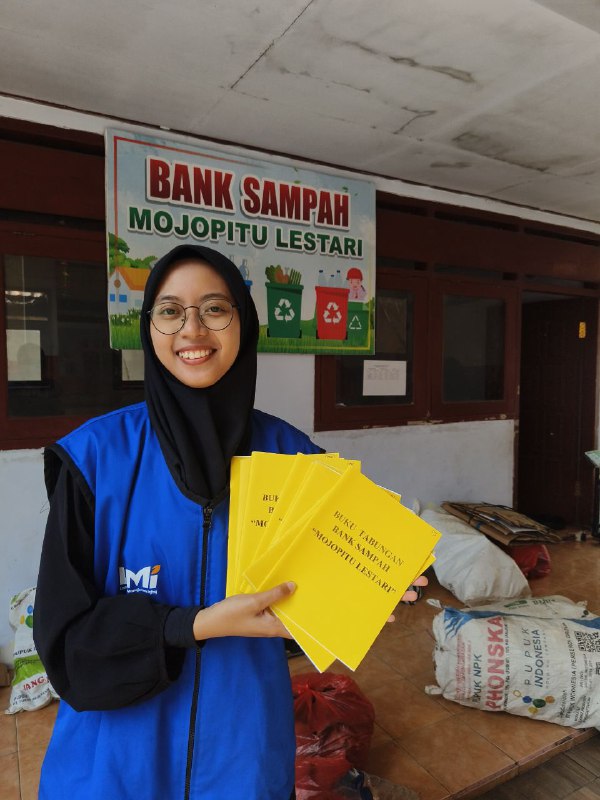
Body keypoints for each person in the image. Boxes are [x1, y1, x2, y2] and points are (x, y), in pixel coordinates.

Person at [34, 244, 426, 800]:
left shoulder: (294, 458)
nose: (192, 329)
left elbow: (320, 589)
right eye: (170, 311)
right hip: (113, 768)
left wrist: (373, 582)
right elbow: (65, 642)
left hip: (242, 759)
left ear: (245, 323)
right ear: (149, 328)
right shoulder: (94, 459)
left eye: (215, 308)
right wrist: (191, 626)